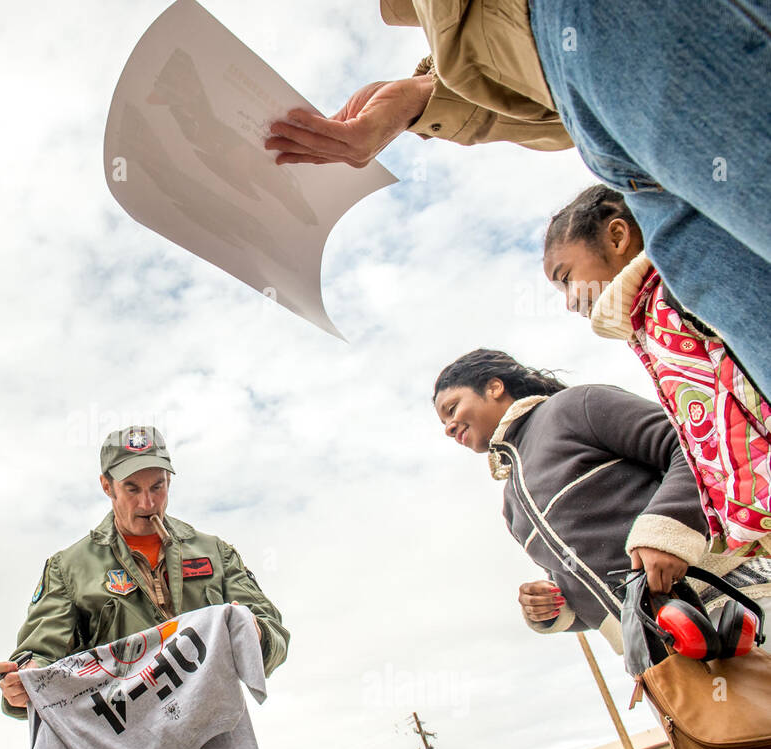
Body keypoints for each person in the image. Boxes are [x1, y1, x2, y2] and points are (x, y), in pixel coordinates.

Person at [265, 1, 771, 395]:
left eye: (566, 278)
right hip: (567, 92)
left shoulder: (582, 410)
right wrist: (422, 99)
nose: (573, 302)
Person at [0, 426, 290, 749]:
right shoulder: (69, 569)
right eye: (132, 488)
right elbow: (40, 659)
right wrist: (22, 685)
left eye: (158, 486)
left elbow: (275, 635)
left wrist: (255, 634)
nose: (147, 502)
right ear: (106, 486)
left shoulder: (214, 552)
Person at [432, 350, 771, 651]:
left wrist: (666, 531)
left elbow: (694, 448)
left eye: (452, 408)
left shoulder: (575, 407)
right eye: (443, 422)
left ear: (493, 387)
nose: (448, 427)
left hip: (735, 600)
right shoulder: (511, 506)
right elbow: (585, 587)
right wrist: (555, 609)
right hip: (658, 654)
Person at [543, 184, 771, 559]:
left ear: (617, 236)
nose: (569, 302)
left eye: (566, 277)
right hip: (752, 526)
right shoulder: (647, 328)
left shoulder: (682, 288)